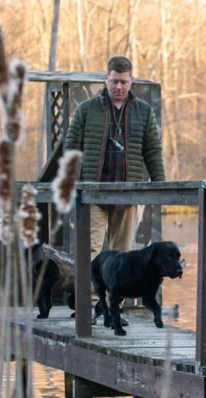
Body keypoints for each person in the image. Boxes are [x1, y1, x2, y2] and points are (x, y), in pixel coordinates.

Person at [64, 55, 165, 324]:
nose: (118, 86)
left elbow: (152, 150)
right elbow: (71, 147)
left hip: (127, 193)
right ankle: (90, 306)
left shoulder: (143, 111)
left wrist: (161, 185)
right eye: (113, 81)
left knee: (122, 256)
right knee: (92, 249)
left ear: (131, 80)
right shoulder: (87, 109)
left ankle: (114, 309)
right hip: (94, 191)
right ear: (105, 79)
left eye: (123, 81)